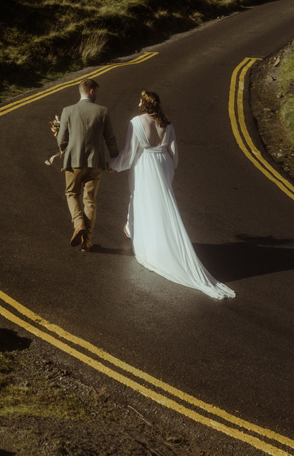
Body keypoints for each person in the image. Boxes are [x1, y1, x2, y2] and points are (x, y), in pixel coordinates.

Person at [110, 90, 235, 299]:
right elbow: (174, 154)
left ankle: (149, 244)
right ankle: (149, 236)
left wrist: (113, 165)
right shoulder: (167, 124)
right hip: (163, 165)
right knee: (161, 205)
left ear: (144, 104)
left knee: (144, 201)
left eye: (140, 100)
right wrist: (169, 170)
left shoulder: (136, 122)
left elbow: (129, 153)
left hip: (146, 166)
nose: (138, 102)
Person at [57, 78, 120, 253]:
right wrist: (115, 160)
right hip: (96, 163)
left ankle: (78, 223)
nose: (97, 94)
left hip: (73, 162)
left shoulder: (68, 111)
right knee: (90, 201)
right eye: (97, 91)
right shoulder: (103, 111)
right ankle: (87, 242)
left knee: (71, 194)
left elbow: (61, 139)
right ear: (92, 91)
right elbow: (110, 139)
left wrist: (64, 150)